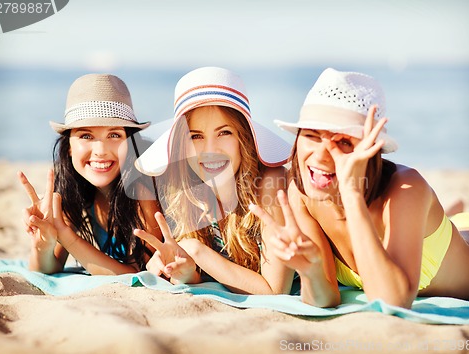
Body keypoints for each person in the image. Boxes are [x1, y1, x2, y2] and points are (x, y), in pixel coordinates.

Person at [250, 68, 469, 308]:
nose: (322, 156)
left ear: (371, 151)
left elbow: (392, 301)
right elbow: (326, 298)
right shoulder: (301, 194)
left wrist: (351, 194)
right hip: (451, 229)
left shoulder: (407, 187)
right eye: (312, 136)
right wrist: (310, 272)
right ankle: (455, 212)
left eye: (344, 142)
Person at [133, 67, 294, 294]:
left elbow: (275, 290)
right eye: (196, 136)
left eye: (224, 132)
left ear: (244, 138)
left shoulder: (271, 183)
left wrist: (194, 250)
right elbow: (222, 276)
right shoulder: (188, 193)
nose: (210, 150)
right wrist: (187, 273)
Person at [19, 73, 161, 275]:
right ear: (69, 146)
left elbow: (141, 274)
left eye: (114, 135)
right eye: (86, 135)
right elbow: (47, 268)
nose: (101, 150)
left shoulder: (143, 188)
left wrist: (67, 237)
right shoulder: (75, 191)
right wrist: (43, 242)